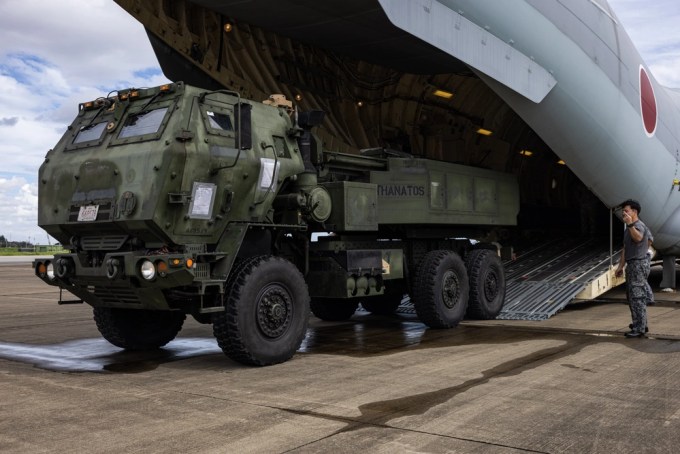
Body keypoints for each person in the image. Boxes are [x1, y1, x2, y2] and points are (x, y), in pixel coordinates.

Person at [615, 199, 653, 337]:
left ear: (634, 212)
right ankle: (640, 323)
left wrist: (641, 253)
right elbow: (625, 248)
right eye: (623, 211)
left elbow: (639, 239)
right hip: (632, 264)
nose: (624, 213)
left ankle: (639, 328)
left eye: (626, 210)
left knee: (637, 297)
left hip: (638, 264)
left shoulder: (638, 225)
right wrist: (620, 266)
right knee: (632, 296)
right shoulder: (629, 228)